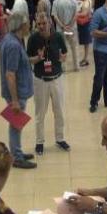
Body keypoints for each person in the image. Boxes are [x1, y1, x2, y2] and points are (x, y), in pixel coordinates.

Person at [28, 12, 70, 156]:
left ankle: (60, 139)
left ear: (50, 23)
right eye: (38, 24)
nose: (41, 26)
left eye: (44, 23)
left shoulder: (58, 36)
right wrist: (38, 58)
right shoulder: (33, 39)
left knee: (59, 111)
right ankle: (40, 142)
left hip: (57, 79)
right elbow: (29, 60)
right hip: (40, 80)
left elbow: (64, 54)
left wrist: (63, 58)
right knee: (40, 113)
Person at [0, 12, 36, 169]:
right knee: (16, 125)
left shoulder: (12, 39)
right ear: (21, 25)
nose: (29, 25)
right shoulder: (13, 44)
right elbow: (10, 73)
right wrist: (14, 100)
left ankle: (16, 151)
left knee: (16, 124)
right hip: (17, 93)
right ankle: (16, 157)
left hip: (18, 91)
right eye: (27, 23)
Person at [52, 0, 80, 72]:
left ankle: (63, 67)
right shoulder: (73, 0)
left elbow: (55, 16)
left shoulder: (56, 1)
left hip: (61, 30)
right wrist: (70, 25)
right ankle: (76, 67)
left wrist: (63, 26)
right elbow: (76, 14)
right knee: (74, 47)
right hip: (72, 29)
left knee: (61, 47)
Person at [77, 0, 93, 67]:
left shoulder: (86, 2)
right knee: (86, 43)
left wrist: (75, 14)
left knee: (86, 42)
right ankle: (85, 58)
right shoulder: (87, 1)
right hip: (86, 23)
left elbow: (84, 13)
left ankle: (85, 59)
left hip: (84, 24)